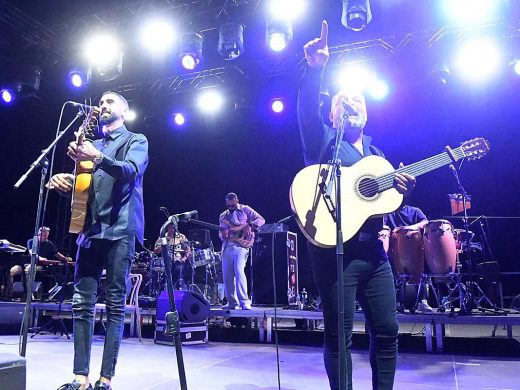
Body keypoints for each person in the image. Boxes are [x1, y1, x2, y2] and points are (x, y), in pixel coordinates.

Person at [299, 21, 416, 389]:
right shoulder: (324, 141)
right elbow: (304, 110)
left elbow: (384, 204)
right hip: (335, 253)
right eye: (343, 102)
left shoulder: (378, 154)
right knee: (338, 336)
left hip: (374, 254)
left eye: (358, 100)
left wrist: (401, 189)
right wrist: (314, 69)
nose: (352, 104)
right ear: (333, 114)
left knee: (388, 329)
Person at [48, 91, 149, 390]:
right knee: (81, 304)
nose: (102, 106)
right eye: (101, 102)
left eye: (110, 102)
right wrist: (66, 182)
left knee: (116, 305)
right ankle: (81, 378)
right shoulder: (91, 146)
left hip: (121, 229)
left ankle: (105, 380)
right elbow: (86, 191)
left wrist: (97, 156)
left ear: (124, 110)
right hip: (90, 231)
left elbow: (130, 171)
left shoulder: (136, 140)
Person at [219, 192, 265, 310]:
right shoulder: (223, 216)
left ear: (237, 201)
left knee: (239, 271)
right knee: (227, 275)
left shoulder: (245, 209)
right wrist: (223, 234)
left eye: (233, 205)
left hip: (242, 246)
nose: (231, 208)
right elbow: (221, 234)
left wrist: (250, 226)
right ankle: (232, 303)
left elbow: (261, 219)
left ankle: (244, 301)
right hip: (227, 246)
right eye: (229, 206)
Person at [8, 226, 72, 298]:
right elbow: (32, 252)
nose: (46, 237)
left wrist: (65, 259)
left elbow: (57, 254)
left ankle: (28, 294)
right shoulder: (31, 241)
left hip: (38, 265)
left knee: (28, 270)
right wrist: (40, 258)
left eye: (47, 235)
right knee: (11, 272)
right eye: (44, 235)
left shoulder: (49, 244)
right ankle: (9, 293)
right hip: (25, 264)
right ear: (39, 234)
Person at [153, 224, 191, 290]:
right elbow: (156, 251)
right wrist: (163, 244)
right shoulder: (162, 237)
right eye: (171, 227)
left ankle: (175, 288)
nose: (173, 229)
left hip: (178, 261)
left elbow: (188, 250)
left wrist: (184, 258)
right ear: (167, 228)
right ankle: (163, 289)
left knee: (178, 269)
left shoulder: (181, 237)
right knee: (164, 276)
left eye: (174, 227)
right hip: (166, 262)